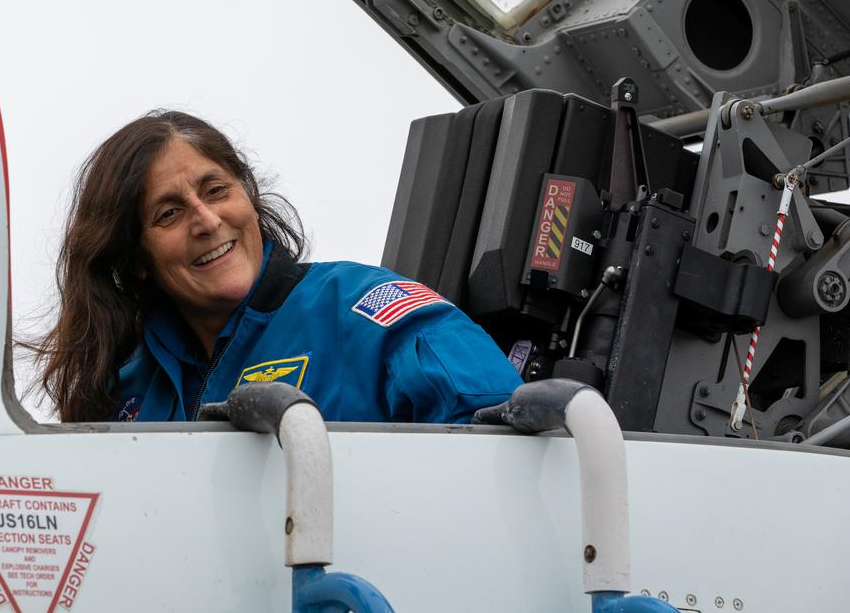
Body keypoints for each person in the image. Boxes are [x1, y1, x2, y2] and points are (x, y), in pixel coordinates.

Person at [31, 110, 520, 423]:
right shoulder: (125, 392)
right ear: (135, 259)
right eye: (169, 213)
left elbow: (499, 444)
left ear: (248, 196)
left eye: (216, 190)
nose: (207, 220)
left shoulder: (360, 310)